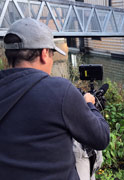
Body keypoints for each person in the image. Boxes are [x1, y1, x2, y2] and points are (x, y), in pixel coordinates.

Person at [0, 18, 110, 180]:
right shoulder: (60, 90)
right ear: (45, 54)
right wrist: (89, 104)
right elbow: (101, 138)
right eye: (52, 54)